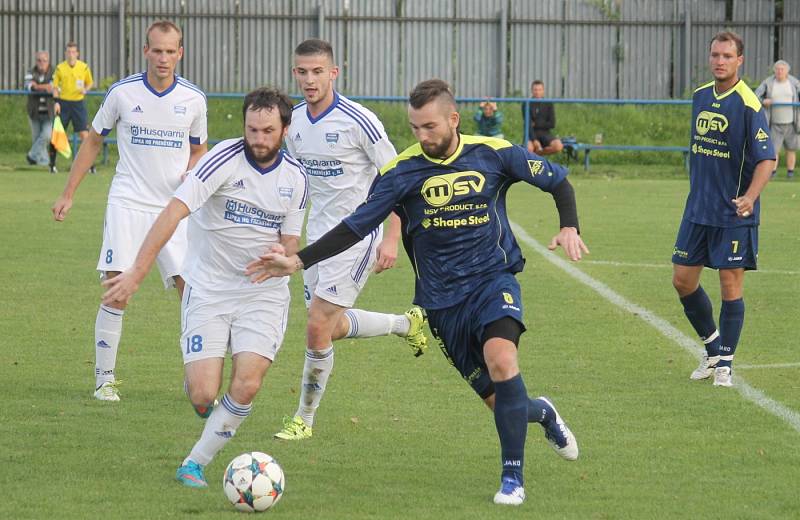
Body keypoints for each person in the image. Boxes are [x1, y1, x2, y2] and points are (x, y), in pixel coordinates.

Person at [246, 79, 587, 506]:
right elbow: (357, 225)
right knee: (500, 402)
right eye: (414, 128)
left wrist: (569, 225)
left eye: (429, 127)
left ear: (453, 119)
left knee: (503, 359)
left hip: (492, 280)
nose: (422, 137)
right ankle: (544, 413)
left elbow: (558, 181)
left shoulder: (494, 152)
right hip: (441, 302)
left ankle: (512, 479)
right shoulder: (401, 172)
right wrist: (300, 260)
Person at [101, 87, 307, 488]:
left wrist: (284, 255)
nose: (259, 139)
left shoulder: (296, 178)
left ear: (285, 128)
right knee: (202, 394)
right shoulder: (220, 161)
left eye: (268, 131)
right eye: (252, 129)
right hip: (208, 287)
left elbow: (292, 240)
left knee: (247, 383)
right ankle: (200, 382)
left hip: (261, 292)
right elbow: (173, 213)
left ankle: (194, 462)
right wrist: (136, 275)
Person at [272, 39, 428, 441]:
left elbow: (398, 177)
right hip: (318, 237)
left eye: (317, 71)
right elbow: (294, 182)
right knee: (331, 327)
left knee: (316, 326)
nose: (309, 79)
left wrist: (391, 237)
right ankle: (403, 324)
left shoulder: (359, 120)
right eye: (302, 72)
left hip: (359, 235)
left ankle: (303, 419)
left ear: (333, 73)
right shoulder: (295, 123)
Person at [51, 21, 208, 401]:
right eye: (157, 50)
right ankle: (105, 379)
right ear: (145, 51)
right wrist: (69, 193)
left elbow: (199, 149)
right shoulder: (122, 93)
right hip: (127, 202)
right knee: (116, 289)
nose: (164, 58)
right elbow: (92, 141)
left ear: (180, 54)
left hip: (171, 209)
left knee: (192, 293)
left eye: (171, 51)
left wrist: (191, 176)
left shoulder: (193, 99)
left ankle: (196, 379)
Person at [672, 31, 775, 388]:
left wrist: (749, 197)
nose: (720, 61)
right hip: (697, 208)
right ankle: (712, 348)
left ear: (739, 61)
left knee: (730, 285)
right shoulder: (700, 96)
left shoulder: (749, 104)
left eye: (727, 56)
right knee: (682, 280)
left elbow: (767, 160)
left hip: (733, 213)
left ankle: (725, 364)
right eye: (715, 55)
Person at [52, 41, 94, 174]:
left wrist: (85, 90)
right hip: (63, 103)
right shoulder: (60, 68)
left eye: (73, 52)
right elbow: (55, 87)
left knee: (85, 136)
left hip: (78, 104)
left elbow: (90, 82)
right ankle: (52, 165)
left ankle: (90, 166)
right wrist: (56, 102)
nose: (71, 54)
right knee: (57, 133)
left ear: (77, 53)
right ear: (65, 53)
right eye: (69, 52)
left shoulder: (84, 67)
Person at [755, 60, 800, 179]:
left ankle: (790, 173)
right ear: (774, 71)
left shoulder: (794, 83)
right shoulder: (768, 82)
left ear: (787, 71)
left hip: (791, 123)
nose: (780, 71)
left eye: (782, 69)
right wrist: (763, 101)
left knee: (791, 149)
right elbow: (756, 96)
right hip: (774, 123)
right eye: (777, 69)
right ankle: (772, 174)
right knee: (774, 150)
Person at [24, 50, 55, 168]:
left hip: (49, 112)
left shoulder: (55, 72)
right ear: (36, 61)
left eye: (44, 60)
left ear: (48, 61)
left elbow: (53, 87)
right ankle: (43, 162)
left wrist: (37, 86)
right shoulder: (30, 72)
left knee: (46, 136)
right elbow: (29, 86)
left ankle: (31, 156)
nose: (41, 62)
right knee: (37, 139)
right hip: (34, 112)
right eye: (39, 60)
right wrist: (43, 87)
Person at [522, 80, 563, 155]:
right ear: (532, 91)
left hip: (545, 134)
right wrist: (534, 140)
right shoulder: (526, 103)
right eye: (535, 90)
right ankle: (532, 161)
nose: (537, 92)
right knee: (529, 149)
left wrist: (537, 123)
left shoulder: (548, 103)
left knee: (558, 146)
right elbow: (528, 124)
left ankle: (538, 154)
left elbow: (552, 124)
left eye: (540, 90)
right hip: (530, 134)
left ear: (543, 91)